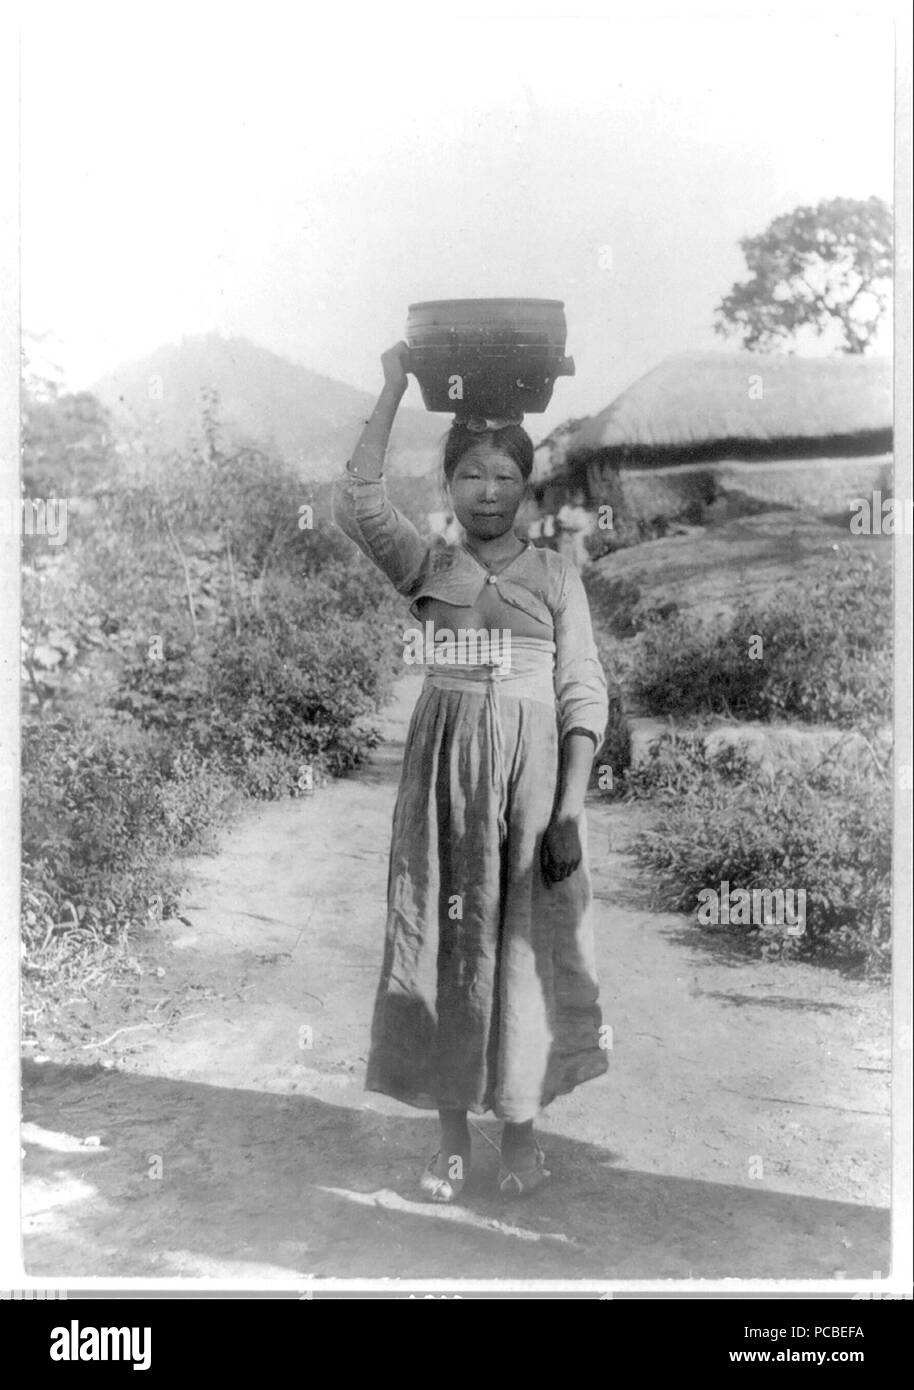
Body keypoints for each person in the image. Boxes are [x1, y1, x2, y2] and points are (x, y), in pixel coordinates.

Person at [332, 342, 610, 1203]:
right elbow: (357, 499)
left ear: (527, 488)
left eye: (503, 478)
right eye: (470, 477)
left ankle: (520, 1133)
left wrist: (566, 811)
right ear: (449, 485)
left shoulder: (559, 576)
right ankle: (452, 1136)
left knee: (529, 948)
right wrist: (389, 387)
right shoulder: (427, 567)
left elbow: (581, 692)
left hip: (532, 786)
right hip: (444, 773)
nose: (487, 492)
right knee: (446, 943)